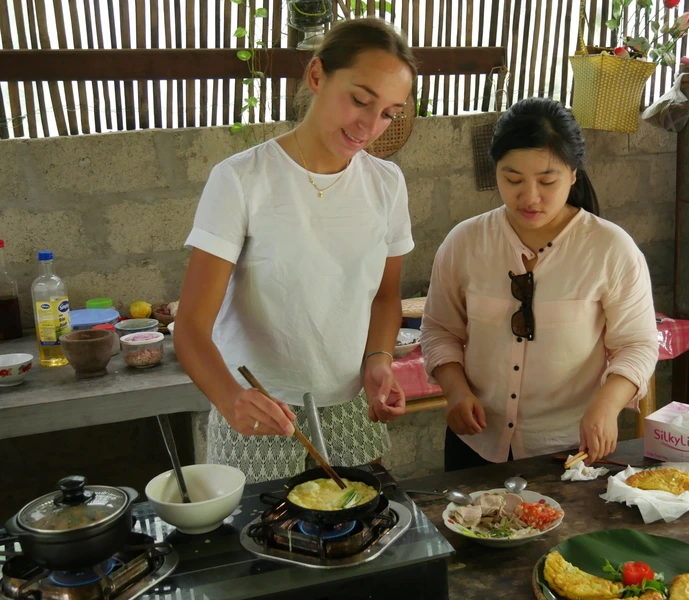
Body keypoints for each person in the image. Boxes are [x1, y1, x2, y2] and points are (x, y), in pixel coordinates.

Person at [175, 18, 416, 483]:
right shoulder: (243, 179)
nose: (370, 125)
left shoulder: (386, 185)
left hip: (348, 408)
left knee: (355, 534)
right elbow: (190, 326)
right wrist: (231, 399)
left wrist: (379, 363)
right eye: (360, 100)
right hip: (261, 407)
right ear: (317, 76)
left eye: (389, 112)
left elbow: (385, 297)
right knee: (262, 547)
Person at [420, 97, 659, 471]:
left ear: (574, 174)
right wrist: (456, 391)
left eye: (548, 180)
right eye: (512, 179)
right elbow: (439, 329)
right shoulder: (465, 242)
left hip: (567, 449)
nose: (529, 197)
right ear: (494, 171)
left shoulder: (610, 248)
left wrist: (607, 405)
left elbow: (638, 344)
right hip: (476, 443)